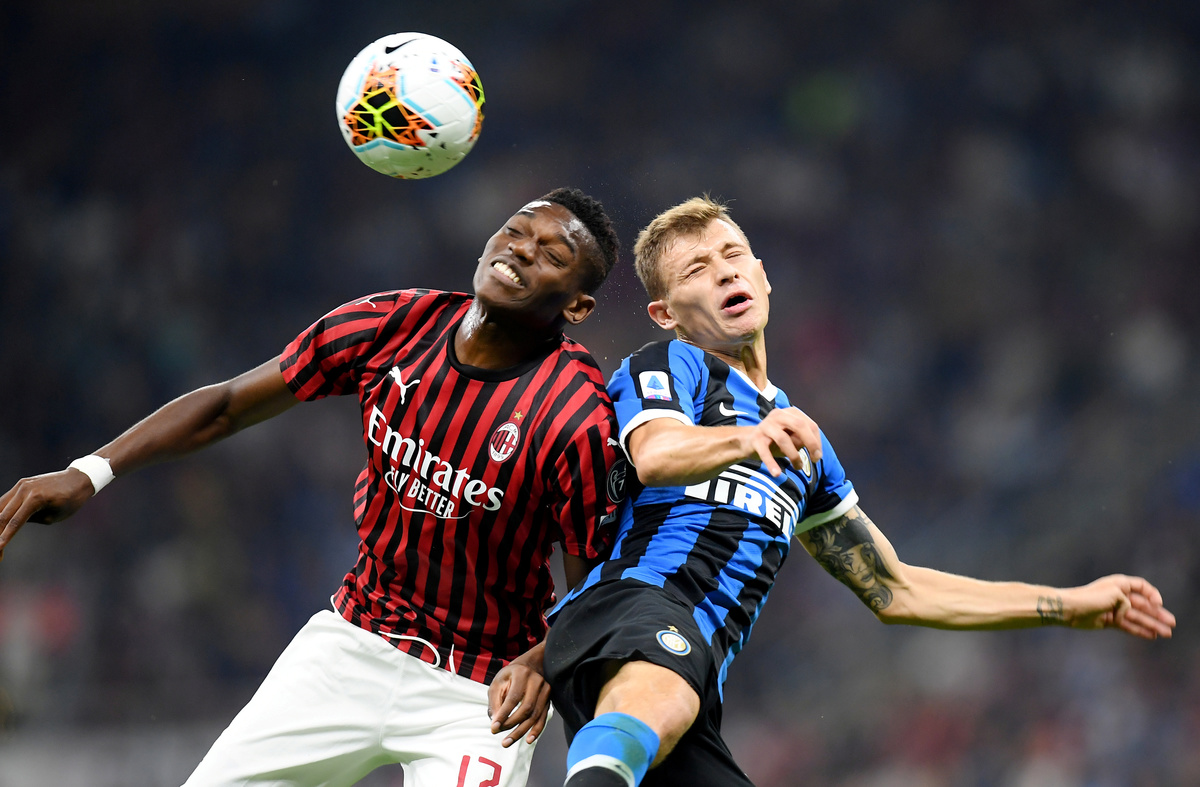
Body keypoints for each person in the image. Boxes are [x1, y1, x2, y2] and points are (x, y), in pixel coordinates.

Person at [0, 188, 629, 787]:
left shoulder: (577, 417)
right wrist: (89, 471)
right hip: (352, 644)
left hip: (480, 691)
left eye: (552, 254)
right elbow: (227, 405)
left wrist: (544, 660)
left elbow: (596, 585)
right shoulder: (398, 323)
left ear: (577, 306)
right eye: (516, 231)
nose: (522, 249)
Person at [542, 196, 1178, 787]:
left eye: (733, 255)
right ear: (666, 314)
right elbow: (654, 455)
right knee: (653, 702)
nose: (724, 272)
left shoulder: (802, 446)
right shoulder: (671, 365)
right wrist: (747, 439)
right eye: (696, 270)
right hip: (637, 610)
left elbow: (896, 590)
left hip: (694, 669)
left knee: (654, 724)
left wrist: (1069, 605)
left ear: (762, 276)